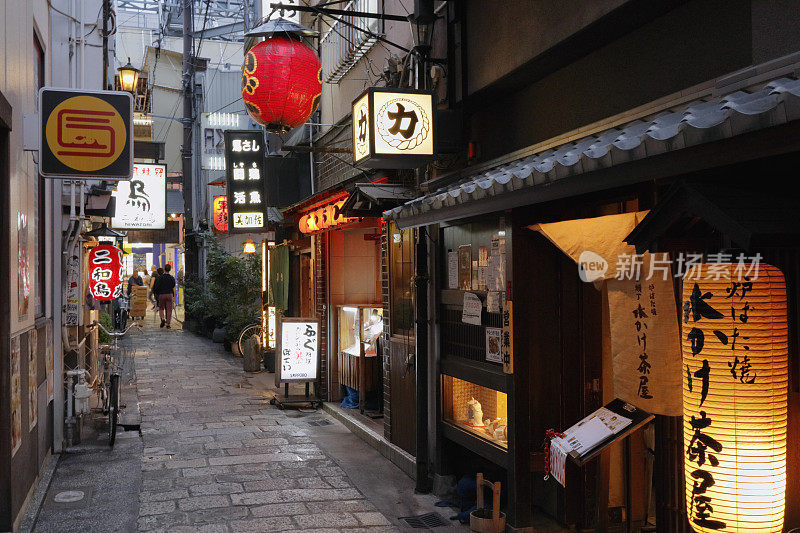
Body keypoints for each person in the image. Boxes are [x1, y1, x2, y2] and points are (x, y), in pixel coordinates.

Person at [153, 264, 176, 328]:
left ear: (164, 269)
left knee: (161, 308)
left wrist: (156, 294)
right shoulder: (171, 278)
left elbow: (156, 286)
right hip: (169, 294)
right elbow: (173, 285)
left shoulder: (160, 278)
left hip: (161, 294)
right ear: (170, 269)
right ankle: (168, 323)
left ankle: (162, 319)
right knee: (169, 309)